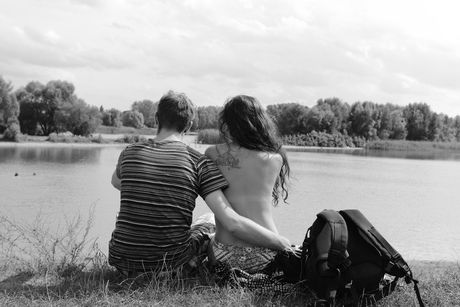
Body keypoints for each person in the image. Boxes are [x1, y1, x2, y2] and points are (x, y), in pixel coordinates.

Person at [108, 90, 290, 277]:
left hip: (123, 266)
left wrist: (147, 188)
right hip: (171, 269)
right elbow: (231, 221)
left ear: (156, 118)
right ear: (189, 125)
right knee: (209, 220)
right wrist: (283, 244)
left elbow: (116, 182)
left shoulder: (129, 152)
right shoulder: (199, 162)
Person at [205, 94, 291, 274]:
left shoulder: (213, 153)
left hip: (223, 256)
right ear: (260, 122)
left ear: (228, 123)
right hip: (267, 254)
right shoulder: (275, 159)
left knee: (204, 221)